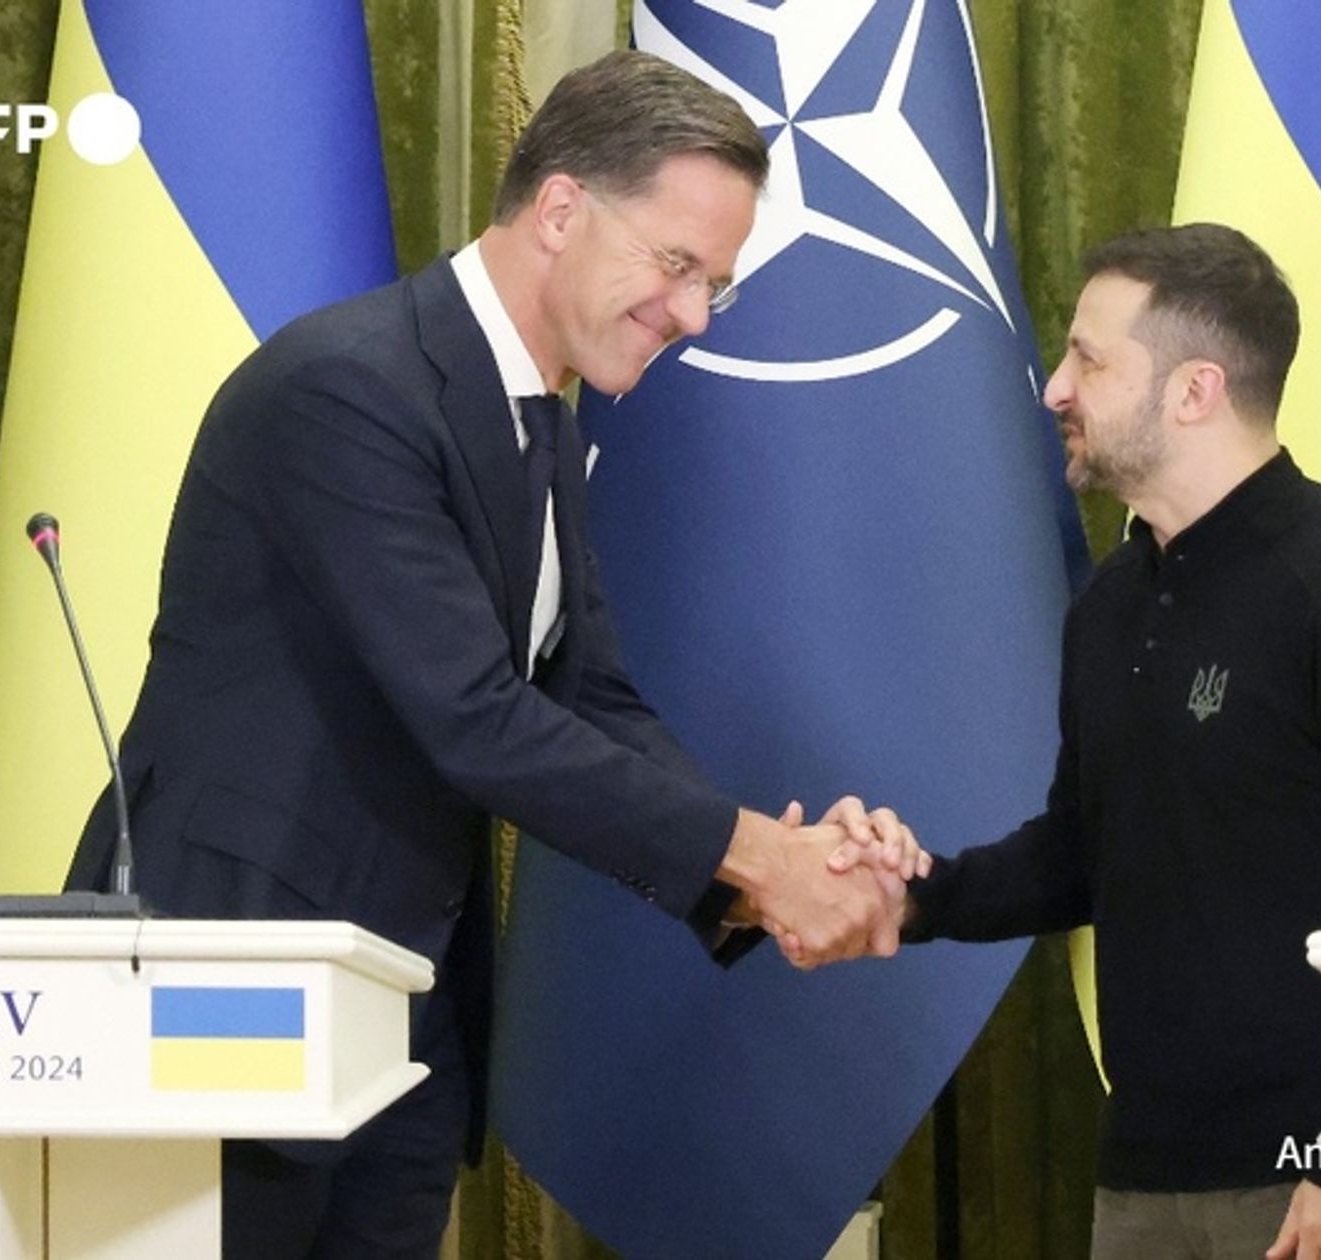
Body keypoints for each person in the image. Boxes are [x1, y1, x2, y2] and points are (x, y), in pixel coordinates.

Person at [66, 50, 922, 1259]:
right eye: (676, 266)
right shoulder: (346, 391)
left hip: (399, 1022)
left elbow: (593, 699)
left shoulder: (536, 418)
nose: (688, 314)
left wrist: (765, 868)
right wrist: (761, 858)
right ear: (561, 209)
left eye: (712, 287)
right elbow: (474, 716)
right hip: (233, 993)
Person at [893, 224, 1321, 1260]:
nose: (1054, 389)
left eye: (1087, 357)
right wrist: (909, 894)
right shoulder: (1111, 601)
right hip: (1143, 1172)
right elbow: (1083, 850)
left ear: (1193, 390)